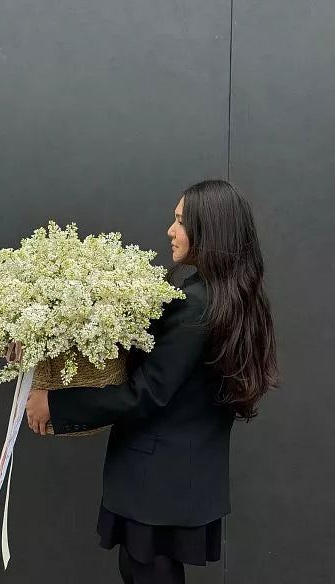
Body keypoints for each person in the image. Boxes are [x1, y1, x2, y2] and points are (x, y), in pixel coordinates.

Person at [20, 179, 279, 583]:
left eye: (180, 221)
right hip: (186, 474)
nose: (170, 230)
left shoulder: (194, 304)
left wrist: (56, 405)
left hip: (157, 480)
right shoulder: (232, 297)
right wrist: (39, 336)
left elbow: (146, 394)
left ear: (208, 230)